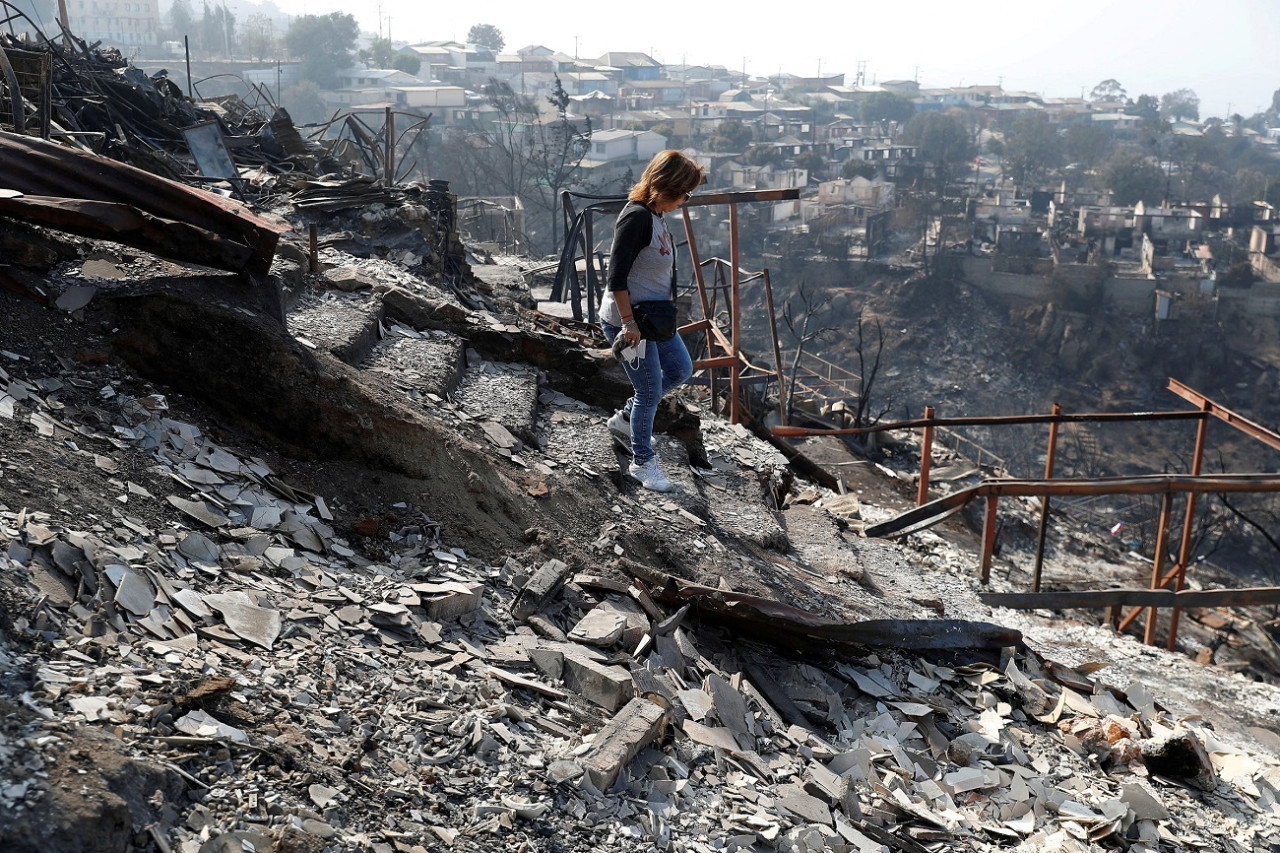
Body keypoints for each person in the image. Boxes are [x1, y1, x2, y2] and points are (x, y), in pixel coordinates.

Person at [600, 150, 705, 493]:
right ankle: (642, 462)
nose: (686, 200)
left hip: (654, 319)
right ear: (667, 187)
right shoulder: (636, 217)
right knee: (649, 389)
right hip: (630, 321)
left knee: (679, 370)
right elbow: (616, 277)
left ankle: (627, 419)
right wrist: (628, 323)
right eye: (684, 193)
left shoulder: (658, 215)